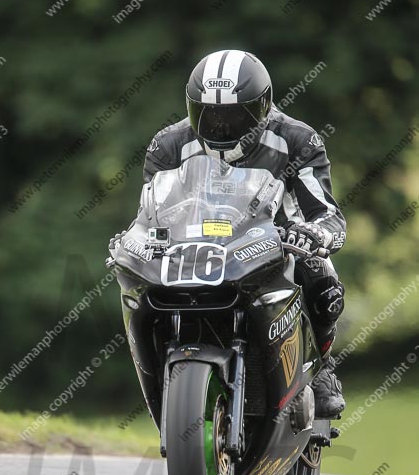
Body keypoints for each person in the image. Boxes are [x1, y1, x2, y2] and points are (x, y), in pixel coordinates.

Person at [111, 49, 346, 418]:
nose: (221, 127)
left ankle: (321, 368)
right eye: (208, 115)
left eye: (235, 116)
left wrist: (316, 234)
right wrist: (134, 241)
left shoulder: (299, 140)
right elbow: (149, 212)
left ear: (263, 107)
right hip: (193, 251)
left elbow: (327, 213)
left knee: (322, 277)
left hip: (273, 246)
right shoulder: (168, 145)